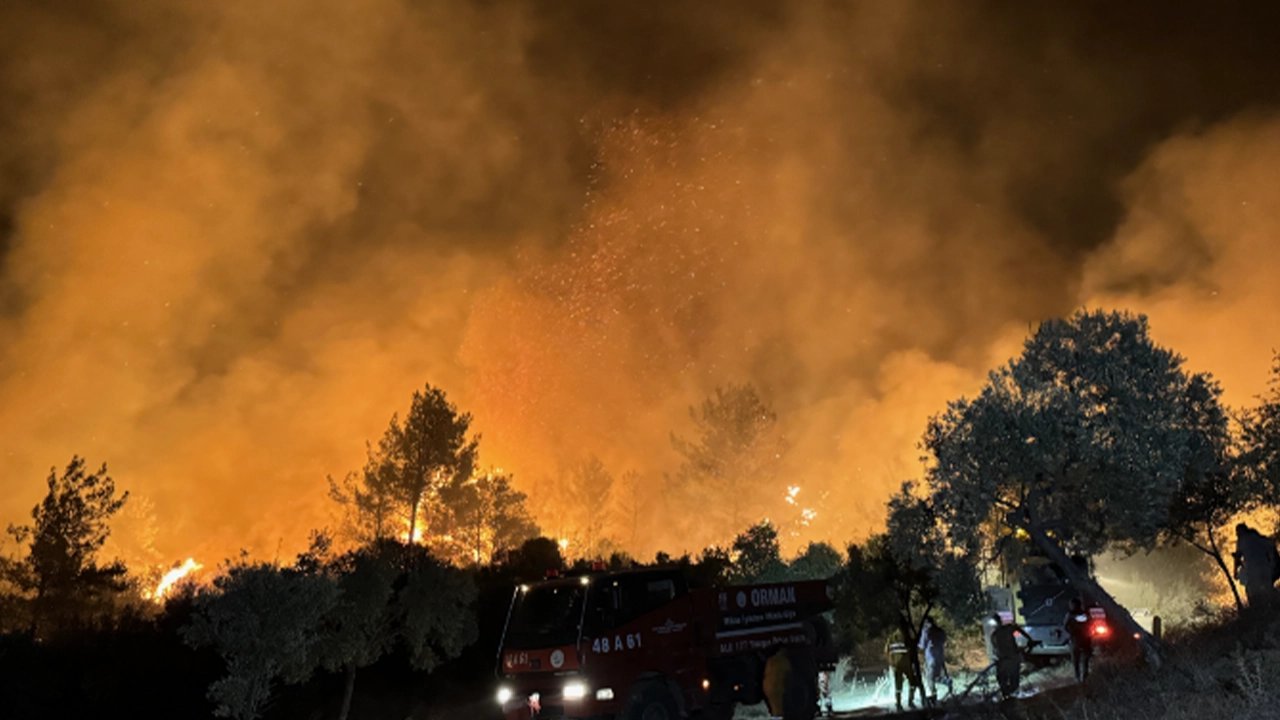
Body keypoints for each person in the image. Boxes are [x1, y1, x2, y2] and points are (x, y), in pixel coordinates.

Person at [1233, 523, 1280, 610]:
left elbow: (1237, 557)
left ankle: (1257, 610)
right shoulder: (1259, 538)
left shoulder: (1241, 541)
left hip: (1253, 570)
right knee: (1268, 588)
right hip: (1266, 568)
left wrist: (1235, 572)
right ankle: (1273, 606)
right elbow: (1271, 546)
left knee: (1251, 591)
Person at [988, 613, 1034, 700]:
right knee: (1006, 682)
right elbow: (995, 650)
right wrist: (1029, 639)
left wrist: (1029, 640)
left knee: (1010, 682)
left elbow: (995, 650)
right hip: (1007, 660)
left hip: (1009, 660)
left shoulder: (1001, 632)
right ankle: (1008, 698)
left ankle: (1010, 698)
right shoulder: (997, 634)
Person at [917, 616, 952, 704]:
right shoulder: (940, 631)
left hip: (930, 658)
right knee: (936, 677)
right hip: (940, 657)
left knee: (930, 678)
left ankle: (934, 695)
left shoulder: (926, 631)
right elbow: (944, 641)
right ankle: (947, 682)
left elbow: (922, 645)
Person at [884, 625, 918, 711]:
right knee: (912, 682)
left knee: (898, 685)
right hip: (907, 664)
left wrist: (891, 663)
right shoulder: (907, 636)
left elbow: (886, 650)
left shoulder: (891, 637)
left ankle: (898, 704)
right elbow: (912, 650)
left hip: (896, 664)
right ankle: (911, 701)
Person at [1064, 598, 1093, 683]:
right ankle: (1083, 677)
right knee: (1083, 660)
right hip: (1083, 639)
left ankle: (1079, 678)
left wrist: (1071, 632)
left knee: (1077, 660)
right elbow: (1090, 624)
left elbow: (1065, 626)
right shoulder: (1085, 614)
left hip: (1077, 639)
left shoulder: (1070, 615)